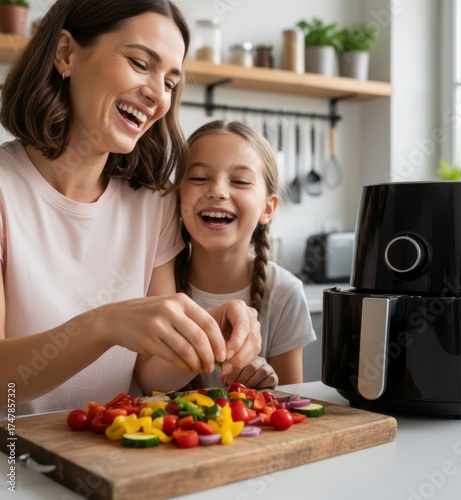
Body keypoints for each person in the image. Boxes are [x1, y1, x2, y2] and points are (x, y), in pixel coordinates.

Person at [0, 0, 262, 418]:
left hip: (111, 457)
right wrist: (105, 325)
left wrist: (204, 334)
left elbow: (153, 374)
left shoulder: (152, 203)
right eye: (141, 63)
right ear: (66, 54)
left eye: (171, 83)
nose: (158, 96)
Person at [175, 120, 316, 390]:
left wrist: (268, 385)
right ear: (177, 195)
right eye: (199, 178)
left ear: (268, 208)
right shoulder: (154, 279)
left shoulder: (285, 293)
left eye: (239, 181)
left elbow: (292, 403)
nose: (217, 191)